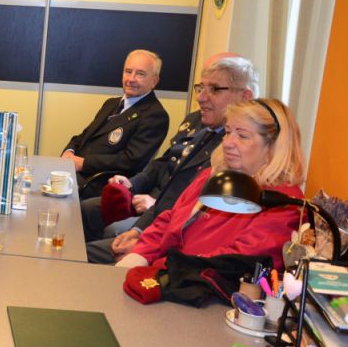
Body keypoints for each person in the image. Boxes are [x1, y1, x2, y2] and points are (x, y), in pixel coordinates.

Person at [85, 54, 258, 263]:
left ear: (244, 97)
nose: (201, 97)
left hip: (175, 244)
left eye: (214, 89)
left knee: (85, 254)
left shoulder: (238, 153)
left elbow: (189, 216)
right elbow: (166, 164)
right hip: (159, 218)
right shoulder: (202, 127)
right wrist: (139, 226)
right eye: (201, 88)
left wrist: (142, 237)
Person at [116, 98, 304, 271]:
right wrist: (138, 256)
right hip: (169, 272)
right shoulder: (214, 176)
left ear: (273, 144)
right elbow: (170, 220)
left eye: (242, 135)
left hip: (202, 285)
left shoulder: (283, 201)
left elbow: (237, 260)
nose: (228, 143)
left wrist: (163, 267)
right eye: (228, 132)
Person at [60, 49, 170, 193]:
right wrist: (69, 152)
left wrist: (84, 163)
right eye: (128, 71)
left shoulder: (155, 115)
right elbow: (85, 136)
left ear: (154, 81)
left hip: (101, 182)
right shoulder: (111, 104)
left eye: (140, 74)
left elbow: (131, 161)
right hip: (77, 173)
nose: (131, 79)